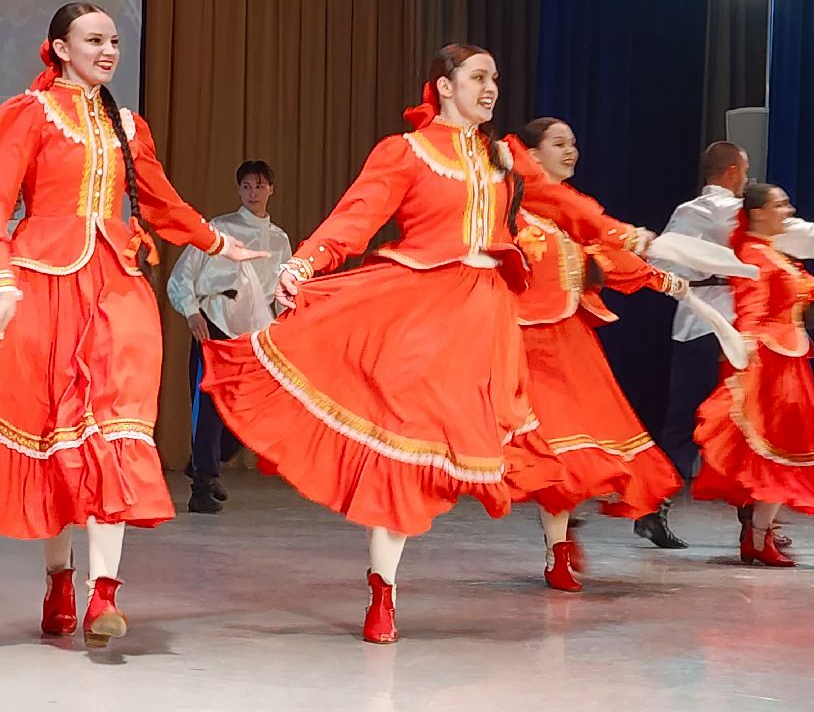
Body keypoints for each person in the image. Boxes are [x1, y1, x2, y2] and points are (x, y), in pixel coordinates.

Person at [202, 44, 648, 643]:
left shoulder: (504, 159)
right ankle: (383, 591)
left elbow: (566, 208)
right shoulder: (406, 152)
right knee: (401, 444)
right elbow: (354, 218)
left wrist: (623, 236)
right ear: (443, 85)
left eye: (495, 79)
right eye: (478, 77)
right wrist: (305, 263)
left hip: (486, 319)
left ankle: (559, 543)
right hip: (420, 308)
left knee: (512, 438)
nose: (490, 89)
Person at [0, 2, 263, 648]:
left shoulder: (126, 125)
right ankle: (59, 577)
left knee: (114, 425)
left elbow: (162, 201)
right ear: (58, 48)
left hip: (116, 281)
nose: (108, 49)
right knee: (58, 434)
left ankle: (103, 592)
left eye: (114, 40)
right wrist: (0, 281)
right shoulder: (28, 115)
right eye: (93, 39)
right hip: (46, 280)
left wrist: (219, 244)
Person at [642, 140, 814, 548]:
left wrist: (692, 280)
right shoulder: (740, 215)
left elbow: (660, 261)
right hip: (738, 331)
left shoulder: (686, 214)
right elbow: (805, 236)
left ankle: (679, 510)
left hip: (698, 324)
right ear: (734, 173)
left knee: (693, 424)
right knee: (750, 425)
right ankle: (755, 523)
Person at [511, 117, 694, 591]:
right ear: (532, 153)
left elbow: (608, 256)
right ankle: (558, 543)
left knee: (580, 444)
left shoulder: (575, 214)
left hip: (570, 338)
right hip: (524, 339)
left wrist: (660, 279)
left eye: (574, 143)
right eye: (558, 143)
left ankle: (559, 545)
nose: (570, 151)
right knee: (550, 446)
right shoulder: (514, 209)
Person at [692, 183, 814, 566]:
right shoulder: (752, 255)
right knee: (777, 451)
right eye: (780, 204)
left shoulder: (770, 252)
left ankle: (758, 535)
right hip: (770, 365)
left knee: (779, 451)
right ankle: (759, 537)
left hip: (785, 360)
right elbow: (751, 306)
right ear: (758, 213)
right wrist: (747, 351)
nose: (788, 210)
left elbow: (802, 285)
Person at [167, 160, 292, 513]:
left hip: (253, 331)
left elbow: (281, 292)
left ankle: (207, 460)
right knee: (208, 406)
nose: (253, 193)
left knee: (250, 408)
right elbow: (182, 275)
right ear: (239, 190)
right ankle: (202, 485)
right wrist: (191, 311)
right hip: (214, 322)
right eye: (247, 187)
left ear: (271, 190)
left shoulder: (279, 240)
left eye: (260, 186)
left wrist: (283, 327)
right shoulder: (218, 230)